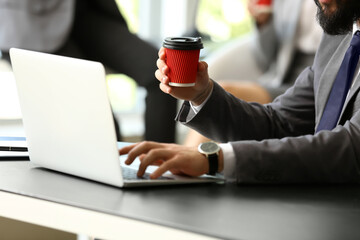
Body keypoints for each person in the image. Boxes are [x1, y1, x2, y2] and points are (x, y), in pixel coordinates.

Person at [120, 0, 360, 183]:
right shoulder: (339, 37)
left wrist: (214, 158)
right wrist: (202, 95)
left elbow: (350, 148)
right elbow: (279, 123)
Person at [0, 0, 177, 143]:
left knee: (165, 74)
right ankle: (117, 176)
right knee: (102, 123)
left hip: (86, 10)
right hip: (30, 19)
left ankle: (160, 166)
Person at [184, 0, 324, 146]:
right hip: (283, 80)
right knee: (217, 99)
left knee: (223, 93)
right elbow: (264, 59)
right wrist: (264, 23)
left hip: (318, 81)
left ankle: (181, 164)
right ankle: (181, 164)